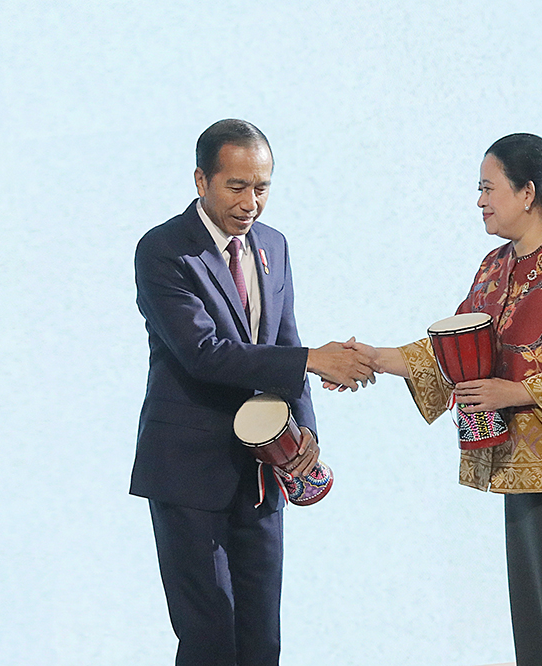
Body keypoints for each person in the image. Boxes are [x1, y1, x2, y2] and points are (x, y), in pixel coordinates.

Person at [342, 133, 542, 665]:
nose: (479, 201)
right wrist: (373, 358)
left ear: (528, 192)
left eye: (487, 188)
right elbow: (453, 353)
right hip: (524, 478)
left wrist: (515, 390)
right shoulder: (494, 270)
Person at [131, 118, 375, 665]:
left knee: (262, 641)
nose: (250, 203)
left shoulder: (274, 245)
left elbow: (285, 339)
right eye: (235, 187)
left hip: (264, 472)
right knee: (210, 637)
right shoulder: (163, 249)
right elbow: (203, 353)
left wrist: (305, 432)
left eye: (261, 187)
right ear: (201, 181)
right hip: (189, 473)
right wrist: (313, 361)